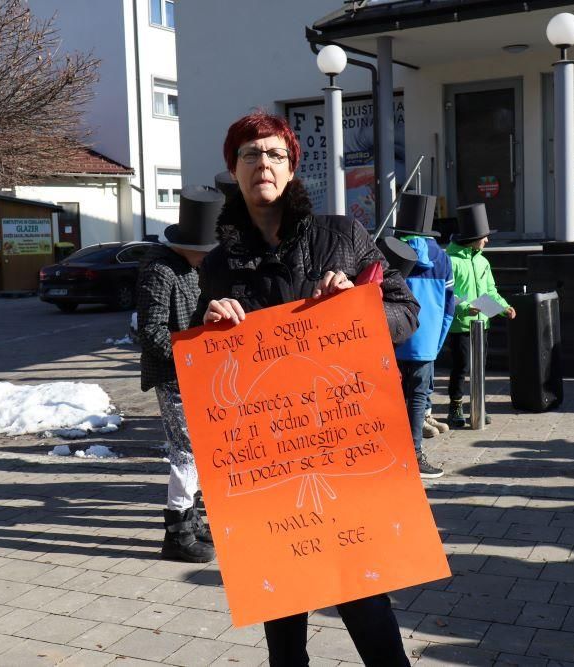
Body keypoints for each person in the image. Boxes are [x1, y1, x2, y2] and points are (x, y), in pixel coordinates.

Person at [197, 111, 418, 666]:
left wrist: (357, 308)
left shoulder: (342, 236)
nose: (263, 164)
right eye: (250, 154)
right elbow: (210, 369)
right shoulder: (220, 263)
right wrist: (209, 324)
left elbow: (405, 311)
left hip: (341, 444)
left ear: (292, 167)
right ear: (233, 169)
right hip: (268, 456)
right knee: (283, 620)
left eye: (275, 154)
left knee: (365, 601)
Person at [137, 186, 224, 563]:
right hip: (173, 374)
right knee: (187, 450)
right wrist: (189, 358)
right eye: (206, 251)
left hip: (195, 371)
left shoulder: (192, 267)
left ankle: (193, 518)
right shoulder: (159, 270)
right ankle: (176, 532)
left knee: (201, 448)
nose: (209, 257)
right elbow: (150, 330)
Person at [386, 193, 454, 479]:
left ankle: (388, 456)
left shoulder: (387, 252)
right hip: (425, 343)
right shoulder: (442, 259)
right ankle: (414, 456)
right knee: (417, 400)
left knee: (389, 398)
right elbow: (449, 307)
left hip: (391, 339)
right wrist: (436, 344)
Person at [445, 203, 515, 428]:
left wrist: (504, 307)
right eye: (484, 237)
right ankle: (455, 406)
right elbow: (448, 294)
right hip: (461, 325)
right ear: (472, 238)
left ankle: (478, 404)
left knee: (480, 367)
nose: (487, 241)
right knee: (462, 367)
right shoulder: (450, 261)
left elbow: (490, 291)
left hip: (482, 323)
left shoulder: (483, 261)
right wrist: (465, 308)